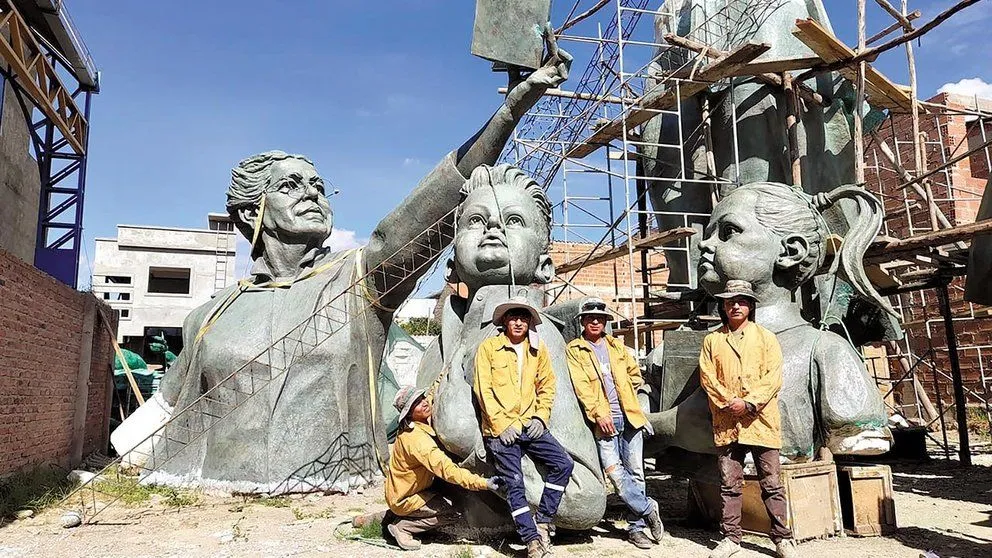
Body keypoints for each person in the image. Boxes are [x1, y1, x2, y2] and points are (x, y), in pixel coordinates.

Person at [113, 28, 572, 494]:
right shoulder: (209, 317)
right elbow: (156, 426)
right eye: (291, 186)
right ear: (253, 211)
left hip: (330, 501)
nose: (312, 193)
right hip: (209, 502)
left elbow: (425, 213)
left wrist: (510, 112)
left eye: (318, 186)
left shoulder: (358, 283)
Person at [417, 164, 604, 532]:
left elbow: (585, 498)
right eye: (475, 221)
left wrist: (474, 450)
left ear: (545, 265)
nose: (492, 228)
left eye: (514, 220)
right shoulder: (445, 337)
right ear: (452, 262)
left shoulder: (537, 337)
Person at [699, 280, 797, 558]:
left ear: (751, 305)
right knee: (730, 482)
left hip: (761, 421)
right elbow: (708, 377)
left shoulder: (766, 337)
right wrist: (729, 403)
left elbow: (773, 378)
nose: (735, 306)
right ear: (723, 307)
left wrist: (749, 402)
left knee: (772, 482)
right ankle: (731, 538)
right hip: (727, 421)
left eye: (741, 301)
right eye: (730, 302)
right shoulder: (713, 340)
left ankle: (781, 538)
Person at [474, 297, 574, 558]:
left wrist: (541, 417)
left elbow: (547, 386)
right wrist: (500, 424)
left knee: (563, 464)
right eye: (513, 317)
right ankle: (531, 540)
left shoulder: (537, 350)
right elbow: (483, 389)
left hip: (530, 423)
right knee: (514, 483)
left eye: (523, 318)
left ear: (529, 322)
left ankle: (543, 521)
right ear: (505, 321)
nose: (518, 322)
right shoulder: (489, 348)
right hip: (501, 429)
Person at [565, 297, 664, 549]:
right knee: (615, 475)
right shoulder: (575, 350)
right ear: (583, 323)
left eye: (599, 318)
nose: (595, 322)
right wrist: (600, 413)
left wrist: (629, 396)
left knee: (636, 473)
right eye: (590, 318)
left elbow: (634, 375)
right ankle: (646, 507)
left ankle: (636, 528)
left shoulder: (618, 347)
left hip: (629, 417)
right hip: (605, 421)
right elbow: (582, 387)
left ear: (606, 322)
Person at [378, 385, 501, 551]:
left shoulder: (414, 424)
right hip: (406, 497)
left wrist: (443, 375)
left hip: (406, 490)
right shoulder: (419, 442)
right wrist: (483, 483)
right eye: (416, 403)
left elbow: (430, 394)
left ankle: (386, 517)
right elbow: (449, 471)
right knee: (452, 513)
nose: (424, 403)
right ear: (408, 414)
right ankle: (404, 527)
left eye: (421, 398)